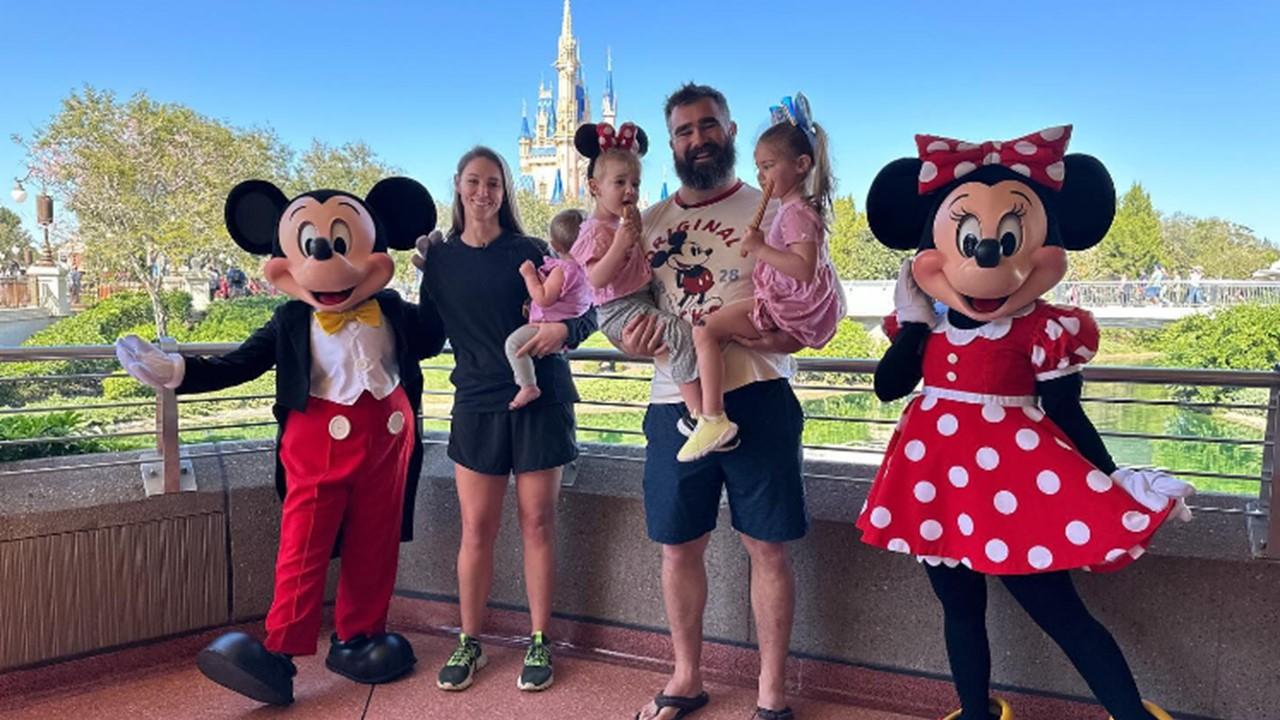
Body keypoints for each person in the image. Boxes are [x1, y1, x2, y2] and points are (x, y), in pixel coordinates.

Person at [860, 126, 1193, 720]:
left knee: (1061, 614)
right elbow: (888, 388)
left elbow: (1066, 413)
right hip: (935, 486)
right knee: (958, 610)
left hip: (1014, 496)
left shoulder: (1043, 329)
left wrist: (1114, 481)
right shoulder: (925, 328)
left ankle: (1132, 715)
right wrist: (913, 325)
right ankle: (977, 712)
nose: (985, 255)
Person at [115, 177, 444, 706]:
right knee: (303, 547)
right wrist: (175, 370)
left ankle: (358, 637)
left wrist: (437, 277)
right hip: (316, 450)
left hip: (388, 448)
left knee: (375, 546)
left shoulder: (392, 309)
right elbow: (241, 363)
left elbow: (432, 336)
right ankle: (279, 654)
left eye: (345, 243)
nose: (328, 262)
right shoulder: (291, 319)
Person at [620, 83, 805, 720]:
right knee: (678, 546)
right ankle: (686, 677)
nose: (696, 139)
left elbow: (813, 310)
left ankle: (772, 693)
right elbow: (623, 316)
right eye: (683, 131)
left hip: (760, 395)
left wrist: (779, 334)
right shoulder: (644, 225)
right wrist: (632, 340)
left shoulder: (777, 208)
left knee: (769, 549)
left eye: (707, 126)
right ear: (670, 143)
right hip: (673, 402)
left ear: (729, 129)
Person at [415, 146, 597, 694]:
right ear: (458, 185)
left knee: (538, 523)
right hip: (476, 402)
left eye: (493, 182)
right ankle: (470, 640)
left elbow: (584, 310)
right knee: (476, 529)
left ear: (505, 190)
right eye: (474, 181)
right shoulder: (440, 260)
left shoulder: (533, 250)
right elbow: (424, 334)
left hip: (542, 399)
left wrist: (565, 334)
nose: (483, 192)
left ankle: (539, 639)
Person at [680, 93, 844, 462]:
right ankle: (709, 415)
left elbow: (803, 269)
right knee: (709, 331)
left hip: (780, 311)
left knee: (705, 330)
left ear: (801, 165)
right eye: (758, 167)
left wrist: (759, 248)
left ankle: (712, 417)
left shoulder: (797, 213)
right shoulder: (789, 210)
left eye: (769, 166)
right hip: (777, 308)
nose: (762, 176)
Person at [570, 120, 704, 431]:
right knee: (679, 333)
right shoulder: (595, 232)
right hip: (620, 307)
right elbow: (596, 280)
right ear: (594, 187)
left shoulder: (624, 225)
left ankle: (699, 409)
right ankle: (697, 413)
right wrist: (620, 244)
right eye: (620, 183)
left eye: (635, 183)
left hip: (637, 301)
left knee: (684, 335)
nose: (630, 190)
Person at [506, 208, 593, 409]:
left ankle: (527, 385)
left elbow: (543, 298)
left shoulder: (562, 270)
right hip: (559, 336)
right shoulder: (587, 272)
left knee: (513, 345)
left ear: (553, 245)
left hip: (545, 325)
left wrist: (529, 275)